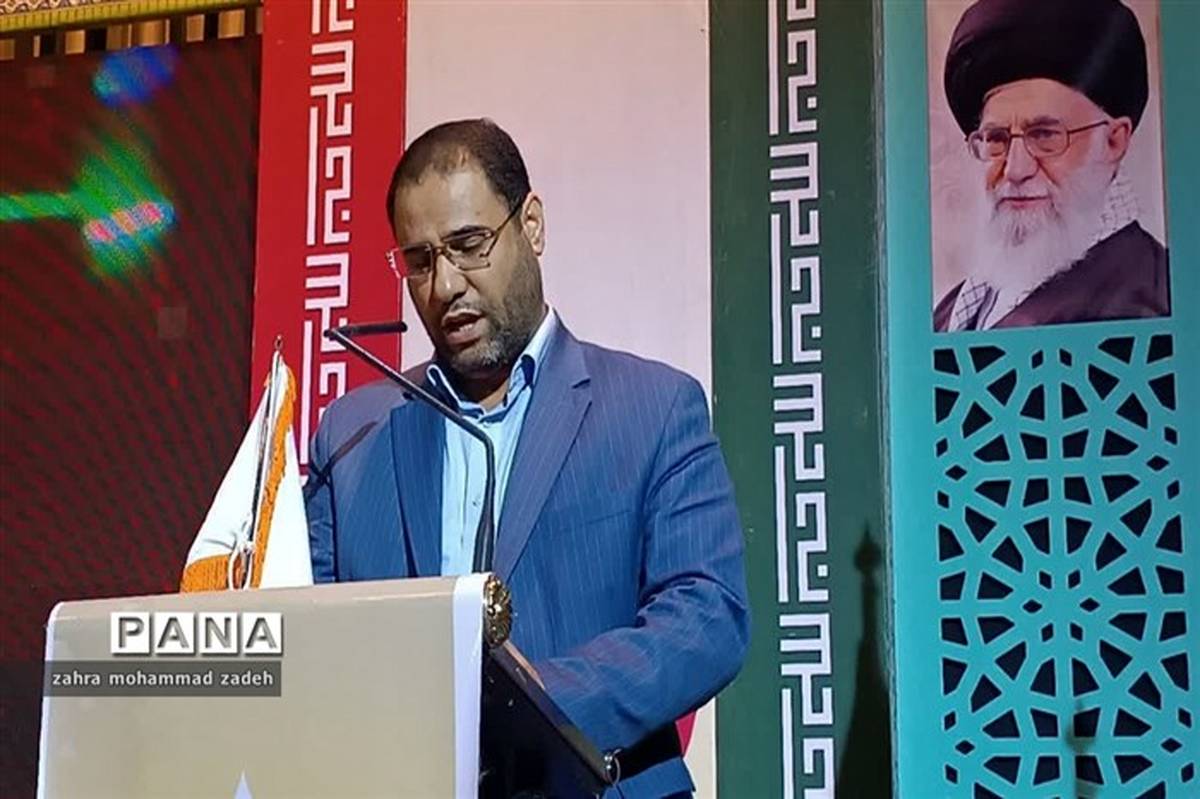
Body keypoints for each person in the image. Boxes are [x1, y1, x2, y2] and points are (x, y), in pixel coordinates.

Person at [303, 118, 750, 797]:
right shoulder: (353, 434)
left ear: (531, 225)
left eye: (468, 246)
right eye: (419, 261)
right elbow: (308, 636)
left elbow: (708, 616)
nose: (444, 285)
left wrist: (533, 706)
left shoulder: (655, 408)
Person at [934, 0, 1170, 332]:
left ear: (1113, 141)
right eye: (997, 138)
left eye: (1044, 135)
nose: (1015, 170)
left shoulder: (1151, 300)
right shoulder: (968, 299)